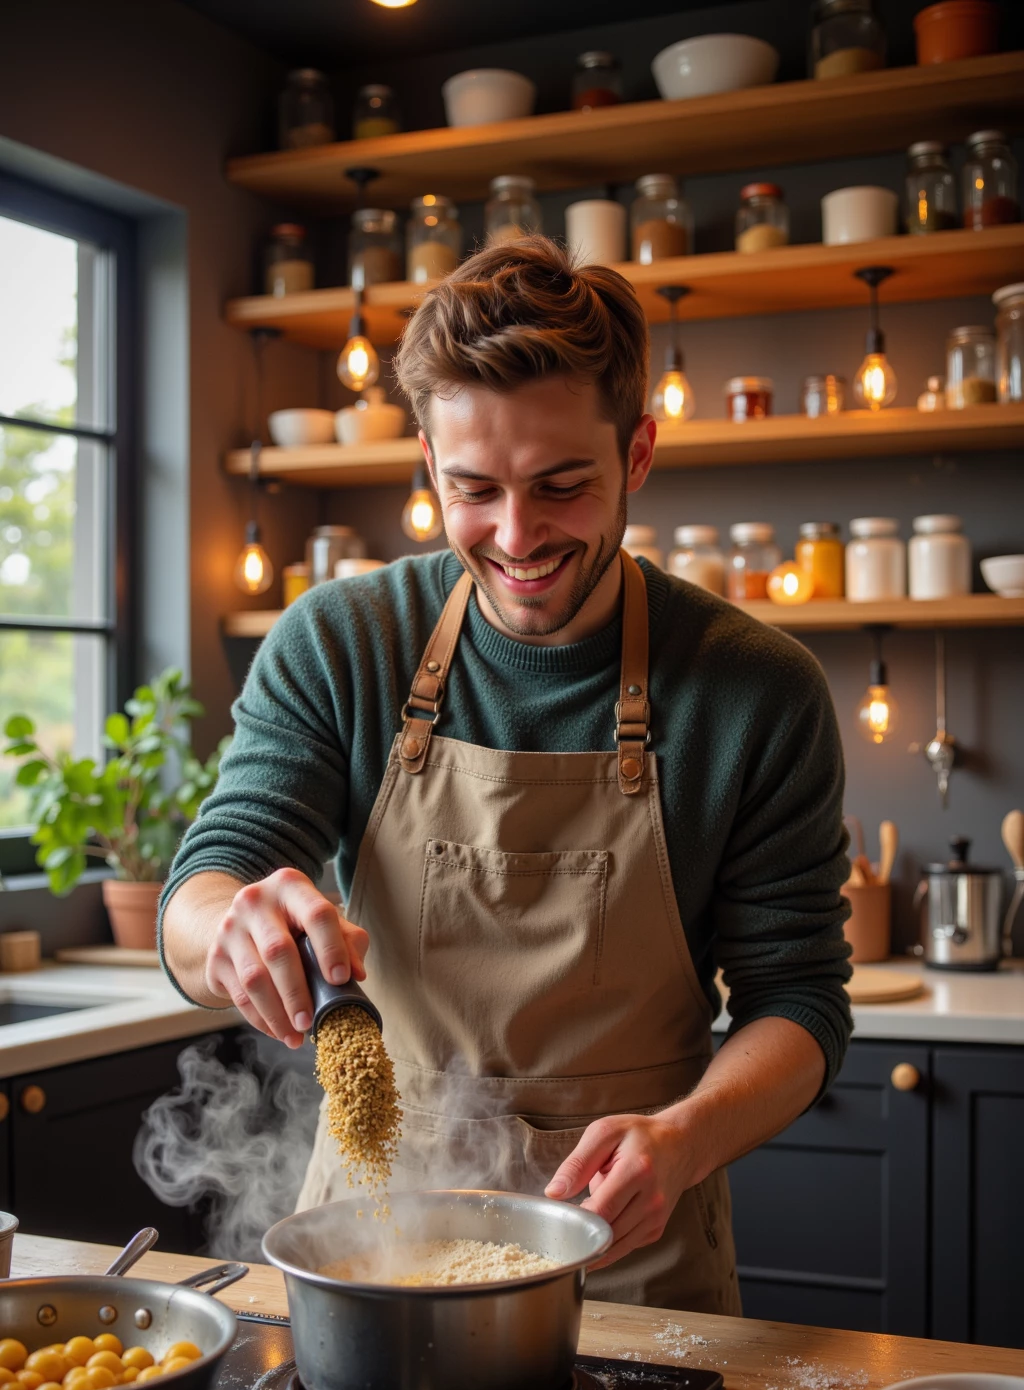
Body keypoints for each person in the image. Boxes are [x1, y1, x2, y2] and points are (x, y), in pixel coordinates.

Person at [161, 235, 851, 1312]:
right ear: (428, 467)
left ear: (636, 455)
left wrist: (680, 1141)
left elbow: (800, 1002)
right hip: (372, 1257)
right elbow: (206, 883)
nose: (517, 536)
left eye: (561, 486)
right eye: (472, 489)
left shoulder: (754, 690)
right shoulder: (343, 642)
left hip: (637, 1268)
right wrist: (229, 931)